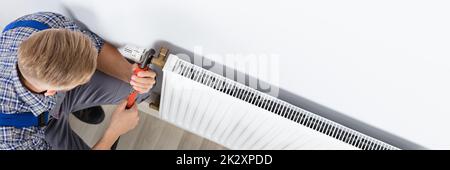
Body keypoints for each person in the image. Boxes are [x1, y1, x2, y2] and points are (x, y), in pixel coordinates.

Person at [0, 12, 156, 150]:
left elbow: (97, 47)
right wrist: (113, 132)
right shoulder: (13, 139)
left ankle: (73, 107)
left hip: (44, 100)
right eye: (82, 81)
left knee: (140, 91)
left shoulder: (44, 22)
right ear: (54, 91)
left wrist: (131, 75)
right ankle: (70, 108)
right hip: (38, 126)